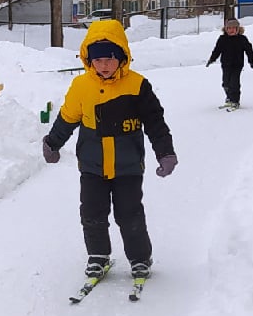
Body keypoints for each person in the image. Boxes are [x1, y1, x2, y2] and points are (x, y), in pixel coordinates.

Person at [42, 17, 177, 278]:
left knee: (130, 215)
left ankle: (140, 258)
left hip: (128, 166)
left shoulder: (137, 85)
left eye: (110, 59)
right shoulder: (81, 86)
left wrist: (165, 152)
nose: (104, 65)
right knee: (92, 214)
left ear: (122, 57)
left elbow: (155, 122)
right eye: (98, 59)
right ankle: (98, 256)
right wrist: (52, 143)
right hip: (92, 166)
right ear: (89, 60)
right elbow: (67, 118)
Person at [206, 17, 253, 109]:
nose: (231, 30)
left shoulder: (242, 39)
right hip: (225, 65)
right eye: (229, 28)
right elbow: (217, 50)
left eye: (233, 28)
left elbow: (249, 50)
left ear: (238, 29)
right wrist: (212, 59)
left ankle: (235, 100)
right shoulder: (222, 39)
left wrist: (251, 61)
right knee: (225, 83)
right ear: (225, 29)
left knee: (234, 83)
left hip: (237, 65)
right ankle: (229, 98)